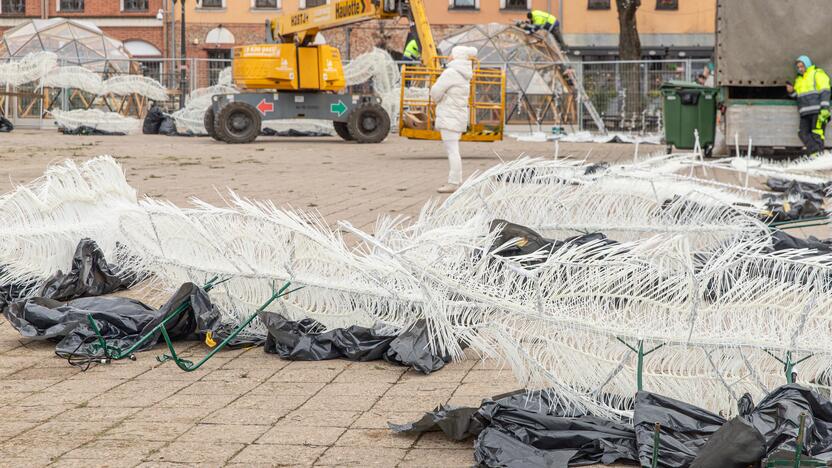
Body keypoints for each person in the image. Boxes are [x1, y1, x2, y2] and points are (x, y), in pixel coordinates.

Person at [430, 46, 477, 194]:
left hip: (449, 116)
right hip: (457, 116)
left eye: (452, 53)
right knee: (453, 149)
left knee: (452, 151)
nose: (449, 56)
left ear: (457, 56)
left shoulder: (451, 73)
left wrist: (439, 98)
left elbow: (435, 91)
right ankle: (456, 181)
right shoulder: (464, 74)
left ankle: (454, 182)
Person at [787, 55, 831, 155]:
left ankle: (817, 156)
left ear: (807, 64)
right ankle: (818, 156)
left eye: (802, 66)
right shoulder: (798, 80)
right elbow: (797, 96)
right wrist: (791, 91)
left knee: (817, 135)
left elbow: (825, 91)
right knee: (802, 133)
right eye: (798, 67)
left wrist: (825, 109)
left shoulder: (817, 74)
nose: (800, 69)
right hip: (805, 113)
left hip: (818, 112)